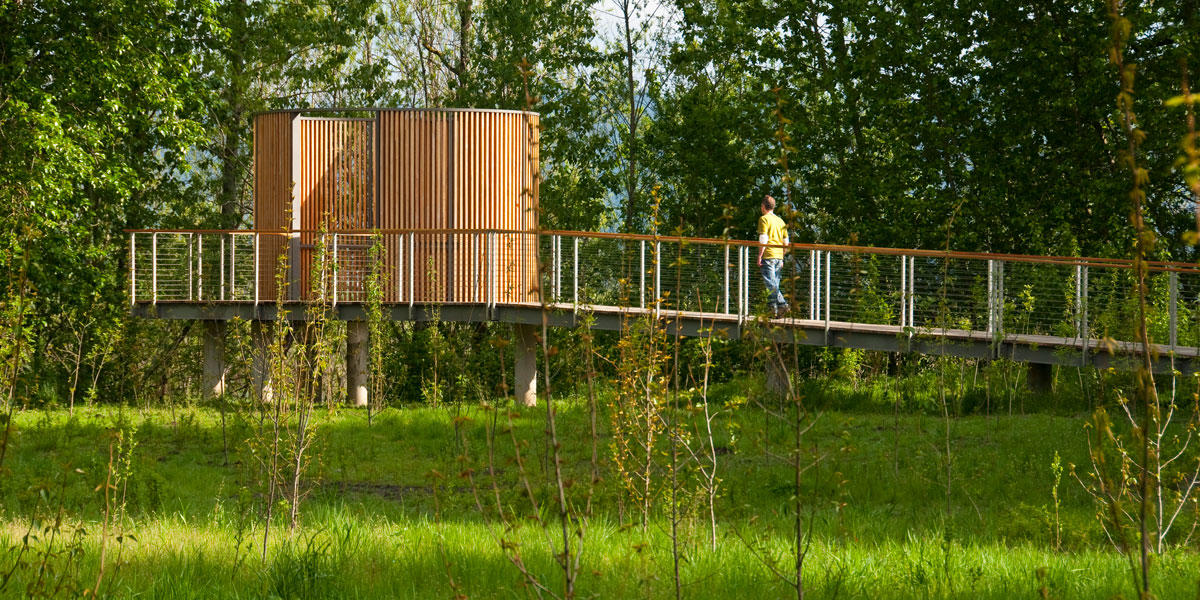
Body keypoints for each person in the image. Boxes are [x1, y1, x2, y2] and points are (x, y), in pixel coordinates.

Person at [757, 195, 789, 315]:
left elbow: (763, 238)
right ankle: (777, 309)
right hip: (778, 256)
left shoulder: (764, 219)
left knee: (770, 283)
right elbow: (786, 242)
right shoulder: (781, 221)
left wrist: (760, 255)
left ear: (763, 206)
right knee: (774, 283)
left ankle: (779, 305)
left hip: (769, 255)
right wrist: (782, 257)